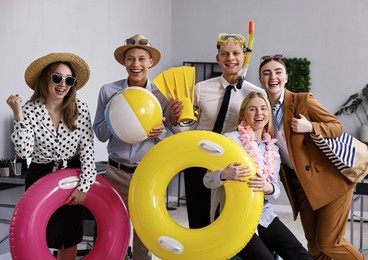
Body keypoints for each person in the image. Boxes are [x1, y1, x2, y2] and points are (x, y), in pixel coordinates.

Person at [259, 54, 364, 260]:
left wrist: (311, 127)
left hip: (329, 180)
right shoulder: (263, 111)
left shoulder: (302, 101)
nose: (273, 77)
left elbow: (337, 127)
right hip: (300, 186)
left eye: (278, 72)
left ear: (286, 77)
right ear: (261, 79)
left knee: (330, 242)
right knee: (315, 247)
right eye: (266, 73)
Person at [170, 33, 266, 229]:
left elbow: (261, 132)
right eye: (225, 54)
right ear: (218, 59)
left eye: (236, 53)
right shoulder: (199, 89)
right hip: (198, 161)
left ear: (243, 58)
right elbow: (185, 128)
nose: (230, 58)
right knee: (198, 221)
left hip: (233, 167)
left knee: (227, 223)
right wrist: (174, 120)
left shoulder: (255, 94)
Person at [6, 52, 97, 260]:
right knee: (39, 236)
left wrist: (83, 187)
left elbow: (88, 153)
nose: (63, 84)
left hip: (71, 176)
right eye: (57, 77)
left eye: (69, 80)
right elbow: (24, 152)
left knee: (70, 237)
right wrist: (18, 115)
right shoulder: (29, 110)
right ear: (45, 79)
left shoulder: (80, 109)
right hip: (41, 176)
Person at [203, 92, 314, 260]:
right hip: (234, 218)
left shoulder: (272, 148)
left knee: (300, 255)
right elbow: (207, 180)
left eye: (263, 109)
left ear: (269, 113)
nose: (259, 114)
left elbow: (275, 191)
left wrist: (268, 187)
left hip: (263, 213)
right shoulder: (230, 141)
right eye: (252, 109)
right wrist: (224, 174)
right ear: (243, 114)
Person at [93, 34, 171, 260]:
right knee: (110, 232)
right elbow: (99, 134)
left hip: (148, 173)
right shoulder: (108, 92)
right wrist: (112, 114)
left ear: (150, 62)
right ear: (123, 62)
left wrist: (161, 132)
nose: (135, 65)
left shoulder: (162, 96)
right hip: (115, 172)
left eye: (141, 59)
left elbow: (170, 142)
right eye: (130, 59)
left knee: (144, 237)